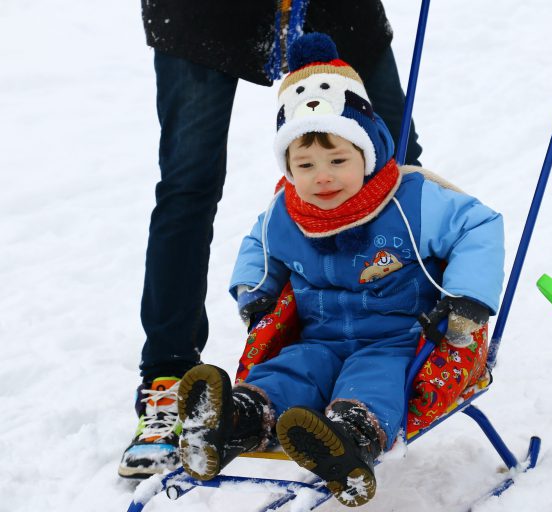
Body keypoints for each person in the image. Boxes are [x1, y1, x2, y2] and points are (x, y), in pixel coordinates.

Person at [174, 33, 504, 507]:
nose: (322, 176)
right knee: (288, 372)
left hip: (397, 339)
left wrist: (467, 296)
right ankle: (235, 421)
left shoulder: (410, 200)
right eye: (304, 164)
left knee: (373, 382)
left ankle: (350, 440)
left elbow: (480, 225)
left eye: (337, 159)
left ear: (367, 153)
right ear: (288, 167)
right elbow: (258, 246)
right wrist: (256, 289)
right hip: (319, 338)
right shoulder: (287, 212)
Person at [118, 1, 423, 479]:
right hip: (199, 15)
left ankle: (403, 338)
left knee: (393, 160)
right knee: (187, 184)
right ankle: (167, 378)